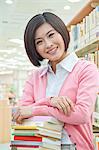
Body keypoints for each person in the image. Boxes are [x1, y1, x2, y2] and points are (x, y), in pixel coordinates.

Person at [12, 12, 99, 150]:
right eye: (39, 42)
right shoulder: (35, 77)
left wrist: (38, 109)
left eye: (51, 35)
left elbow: (82, 114)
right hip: (39, 145)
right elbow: (20, 113)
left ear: (62, 32)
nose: (48, 44)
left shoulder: (86, 69)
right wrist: (51, 101)